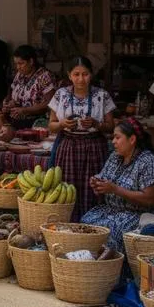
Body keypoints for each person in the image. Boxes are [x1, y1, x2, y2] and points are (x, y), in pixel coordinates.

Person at [81, 119, 154, 255]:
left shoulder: (148, 162)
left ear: (132, 139)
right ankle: (91, 265)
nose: (113, 142)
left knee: (112, 230)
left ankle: (116, 271)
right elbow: (104, 177)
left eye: (117, 137)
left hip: (140, 214)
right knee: (86, 222)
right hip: (114, 210)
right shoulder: (115, 157)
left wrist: (115, 189)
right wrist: (97, 183)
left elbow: (149, 199)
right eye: (113, 138)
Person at [48, 56, 116, 221]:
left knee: (92, 189)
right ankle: (68, 225)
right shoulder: (61, 94)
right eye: (76, 74)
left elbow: (111, 126)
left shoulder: (102, 95)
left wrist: (96, 124)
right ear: (69, 75)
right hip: (68, 147)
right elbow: (51, 125)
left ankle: (93, 225)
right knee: (67, 188)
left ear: (91, 74)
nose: (80, 79)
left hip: (94, 148)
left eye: (85, 74)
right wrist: (63, 124)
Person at [2, 45, 57, 130]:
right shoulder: (20, 75)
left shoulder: (45, 76)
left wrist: (25, 110)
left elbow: (49, 103)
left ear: (31, 61)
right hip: (18, 120)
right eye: (16, 64)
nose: (18, 67)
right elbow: (13, 94)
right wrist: (8, 103)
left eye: (21, 63)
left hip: (38, 122)